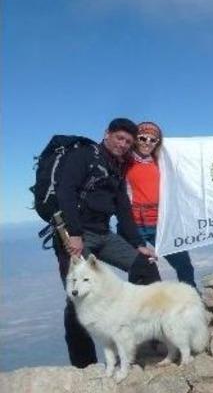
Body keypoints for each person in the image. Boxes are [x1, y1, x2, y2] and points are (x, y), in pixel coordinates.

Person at [53, 117, 161, 368]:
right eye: (119, 138)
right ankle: (84, 365)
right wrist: (75, 233)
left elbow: (122, 207)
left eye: (128, 142)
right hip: (75, 235)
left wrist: (137, 243)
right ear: (107, 134)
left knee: (144, 266)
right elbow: (65, 191)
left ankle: (147, 337)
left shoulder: (116, 166)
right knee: (78, 298)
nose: (123, 144)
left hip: (103, 233)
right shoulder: (83, 155)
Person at [126, 121, 196, 287]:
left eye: (153, 140)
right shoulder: (124, 161)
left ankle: (192, 297)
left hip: (161, 223)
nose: (147, 143)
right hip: (134, 225)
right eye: (142, 138)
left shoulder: (162, 162)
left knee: (184, 264)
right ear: (135, 139)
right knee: (141, 271)